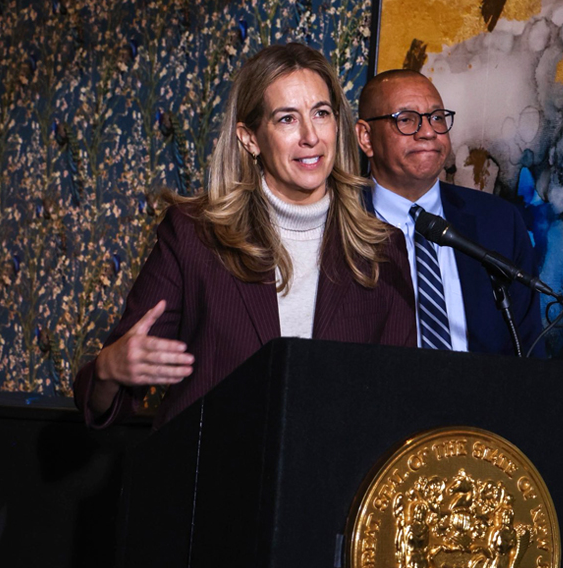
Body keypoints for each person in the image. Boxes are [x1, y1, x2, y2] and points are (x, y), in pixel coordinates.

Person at [75, 44, 416, 429]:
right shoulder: (194, 234)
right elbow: (103, 403)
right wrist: (109, 369)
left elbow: (398, 397)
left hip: (330, 480)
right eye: (287, 119)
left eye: (321, 113)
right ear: (250, 138)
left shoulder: (381, 247)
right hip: (210, 476)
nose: (310, 136)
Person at [355, 69, 544, 356]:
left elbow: (529, 353)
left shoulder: (500, 223)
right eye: (406, 120)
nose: (429, 132)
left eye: (437, 118)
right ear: (366, 137)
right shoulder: (334, 223)